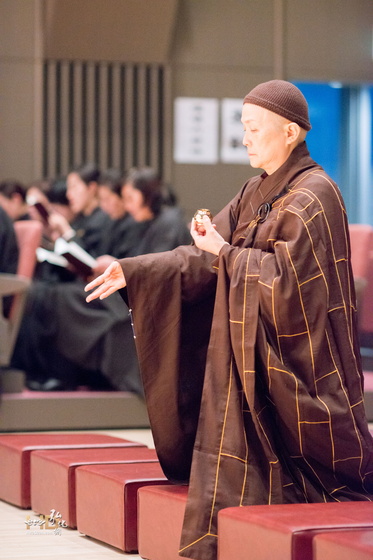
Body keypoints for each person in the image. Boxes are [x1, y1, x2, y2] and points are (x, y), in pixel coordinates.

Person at [85, 80, 373, 560]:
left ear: (289, 132)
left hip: (301, 363)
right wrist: (134, 271)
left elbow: (290, 288)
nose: (245, 138)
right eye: (243, 128)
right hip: (254, 346)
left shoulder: (316, 195)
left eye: (253, 128)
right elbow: (205, 257)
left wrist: (226, 254)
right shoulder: (254, 190)